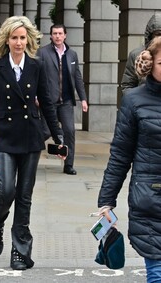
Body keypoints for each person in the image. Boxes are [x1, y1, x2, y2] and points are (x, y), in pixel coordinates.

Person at [0, 16, 65, 270]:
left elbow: (48, 104)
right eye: (14, 38)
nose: (18, 42)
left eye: (22, 38)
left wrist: (58, 136)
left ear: (28, 40)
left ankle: (20, 251)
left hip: (31, 137)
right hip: (5, 135)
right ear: (6, 40)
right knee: (6, 190)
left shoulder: (37, 66)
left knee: (24, 196)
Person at [97, 36, 161, 283]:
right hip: (150, 201)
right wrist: (106, 201)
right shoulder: (134, 100)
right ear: (150, 64)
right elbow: (120, 155)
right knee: (157, 274)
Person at [37, 24, 88, 175]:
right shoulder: (43, 52)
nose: (57, 36)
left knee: (69, 132)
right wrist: (35, 95)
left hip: (66, 101)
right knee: (45, 132)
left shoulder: (72, 54)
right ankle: (27, 155)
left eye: (60, 33)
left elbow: (77, 77)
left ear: (65, 35)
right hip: (48, 101)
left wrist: (83, 98)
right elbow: (36, 75)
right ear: (51, 36)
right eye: (55, 33)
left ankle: (68, 165)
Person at [121, 13, 161, 95]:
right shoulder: (136, 55)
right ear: (150, 35)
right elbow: (127, 85)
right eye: (158, 34)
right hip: (143, 103)